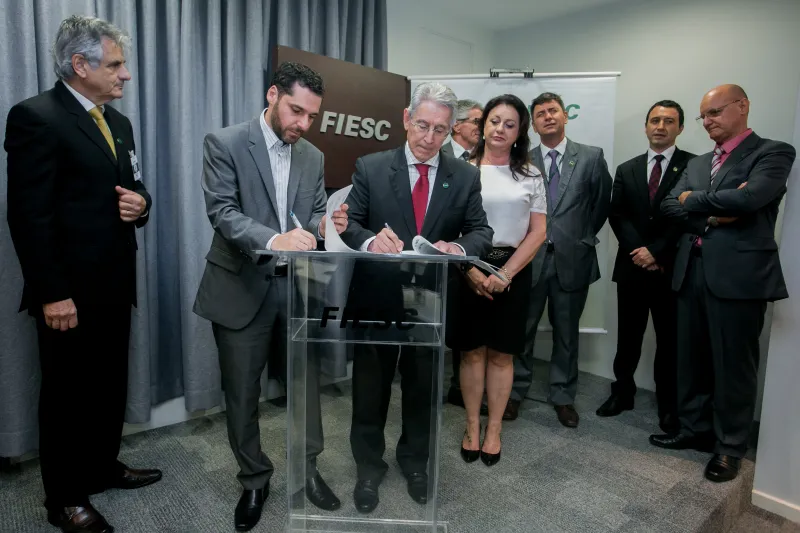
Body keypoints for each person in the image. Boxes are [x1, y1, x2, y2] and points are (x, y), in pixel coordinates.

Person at [5, 15, 159, 533]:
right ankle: (64, 498)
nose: (125, 75)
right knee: (67, 396)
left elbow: (135, 190)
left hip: (116, 284)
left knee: (108, 386)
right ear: (80, 64)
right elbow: (29, 216)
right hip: (67, 294)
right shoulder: (35, 117)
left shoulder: (119, 124)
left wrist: (143, 205)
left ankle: (101, 467)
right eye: (115, 64)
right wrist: (53, 293)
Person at [193, 62, 348, 531]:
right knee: (241, 393)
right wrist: (272, 239)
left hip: (296, 290)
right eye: (295, 111)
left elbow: (316, 212)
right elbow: (222, 211)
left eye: (311, 116)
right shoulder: (225, 142)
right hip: (241, 285)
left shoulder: (313, 156)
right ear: (273, 95)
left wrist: (327, 226)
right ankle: (254, 479)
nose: (302, 124)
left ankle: (309, 470)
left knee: (306, 387)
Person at [341, 82, 492, 513]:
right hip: (375, 299)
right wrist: (370, 241)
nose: (429, 138)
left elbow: (482, 232)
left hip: (430, 302)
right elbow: (349, 225)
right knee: (369, 391)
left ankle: (416, 464)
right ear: (407, 119)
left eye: (440, 130)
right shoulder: (370, 167)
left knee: (423, 390)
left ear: (451, 131)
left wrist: (457, 249)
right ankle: (368, 468)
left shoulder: (464, 175)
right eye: (422, 125)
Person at [652, 84, 795, 482]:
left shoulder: (773, 152)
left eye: (715, 112)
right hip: (690, 270)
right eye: (704, 116)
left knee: (734, 364)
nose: (708, 121)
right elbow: (668, 205)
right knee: (691, 357)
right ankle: (693, 429)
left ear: (743, 106)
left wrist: (693, 202)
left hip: (738, 276)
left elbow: (751, 201)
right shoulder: (699, 163)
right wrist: (714, 212)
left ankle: (729, 446)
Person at [450, 94, 547, 466]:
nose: (500, 129)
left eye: (510, 123)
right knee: (472, 350)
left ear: (520, 130)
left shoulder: (530, 174)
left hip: (513, 267)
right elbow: (450, 226)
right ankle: (472, 426)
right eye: (494, 121)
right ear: (482, 124)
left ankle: (494, 429)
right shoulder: (460, 168)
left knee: (502, 354)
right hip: (469, 262)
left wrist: (505, 273)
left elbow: (538, 232)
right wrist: (469, 269)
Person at [510, 92, 612, 427]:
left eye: (553, 111)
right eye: (540, 113)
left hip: (572, 259)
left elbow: (600, 204)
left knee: (566, 333)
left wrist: (580, 237)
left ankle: (563, 396)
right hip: (530, 260)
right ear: (534, 123)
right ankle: (514, 392)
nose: (548, 117)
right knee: (520, 331)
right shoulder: (521, 159)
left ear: (565, 116)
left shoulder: (591, 157)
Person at [597, 100, 695, 434]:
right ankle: (622, 393)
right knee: (629, 337)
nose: (660, 126)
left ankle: (669, 406)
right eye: (655, 120)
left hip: (670, 269)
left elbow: (688, 216)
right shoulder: (627, 168)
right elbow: (617, 213)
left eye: (669, 121)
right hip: (632, 267)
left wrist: (656, 251)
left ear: (680, 128)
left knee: (670, 342)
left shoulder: (694, 166)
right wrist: (638, 250)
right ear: (646, 126)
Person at [441, 98, 484, 407]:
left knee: (466, 323)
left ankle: (460, 387)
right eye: (478, 122)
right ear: (456, 125)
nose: (484, 129)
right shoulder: (435, 154)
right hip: (433, 254)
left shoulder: (488, 159)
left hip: (468, 255)